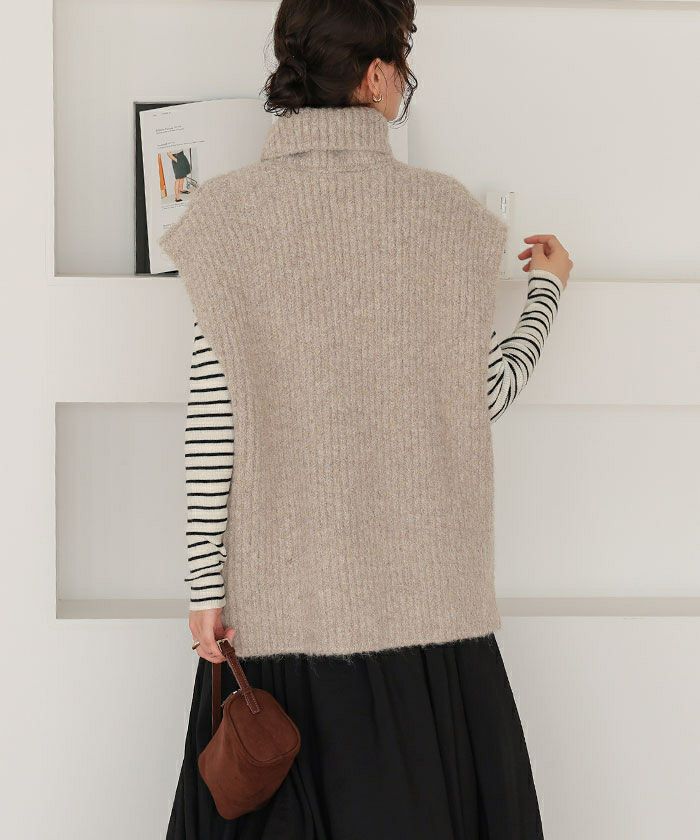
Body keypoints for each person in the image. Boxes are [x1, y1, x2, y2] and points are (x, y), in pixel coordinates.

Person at [159, 1, 572, 837]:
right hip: (432, 621)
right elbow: (482, 398)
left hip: (279, 615)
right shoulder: (449, 218)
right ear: (378, 74)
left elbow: (215, 415)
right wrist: (545, 295)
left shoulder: (226, 220)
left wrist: (205, 586)